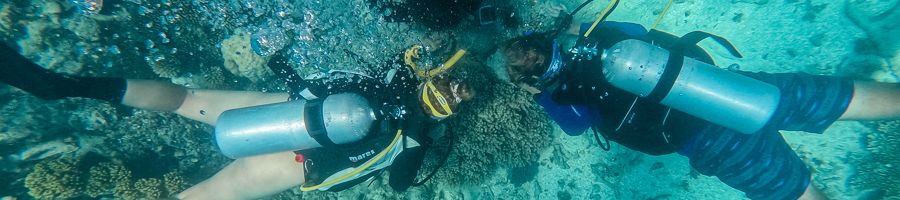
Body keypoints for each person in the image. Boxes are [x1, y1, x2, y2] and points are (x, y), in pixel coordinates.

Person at [498, 5, 900, 200]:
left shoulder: (564, 96)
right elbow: (640, 32)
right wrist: (573, 25)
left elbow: (576, 126)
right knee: (842, 98)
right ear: (548, 42)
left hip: (716, 147)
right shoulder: (602, 40)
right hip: (735, 88)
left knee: (797, 191)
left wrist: (540, 98)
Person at [0, 40, 474, 199]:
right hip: (297, 159)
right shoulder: (412, 129)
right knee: (203, 196)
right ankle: (63, 87)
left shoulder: (395, 78)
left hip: (284, 113)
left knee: (185, 98)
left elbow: (343, 72)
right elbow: (397, 184)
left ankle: (62, 86)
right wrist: (419, 133)